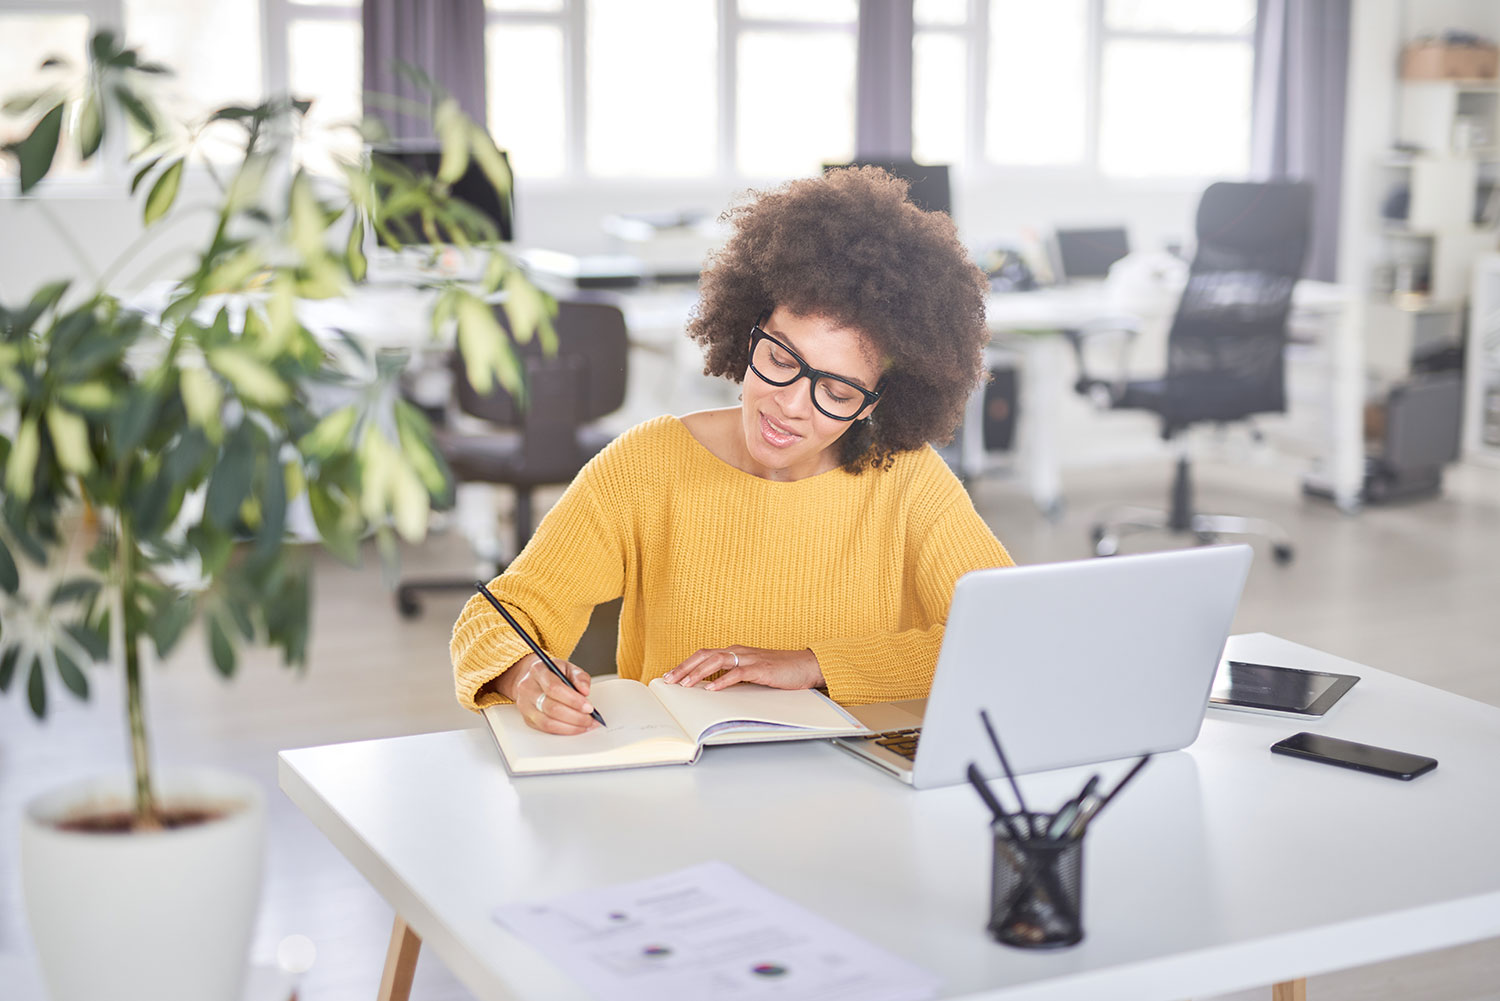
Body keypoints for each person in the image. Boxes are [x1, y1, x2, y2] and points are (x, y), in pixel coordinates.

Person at [450, 166, 1014, 734]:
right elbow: (499, 617)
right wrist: (523, 676)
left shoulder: (908, 479)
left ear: (872, 403)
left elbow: (1009, 632)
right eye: (780, 360)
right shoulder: (647, 466)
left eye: (837, 391)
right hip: (689, 787)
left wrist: (814, 666)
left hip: (864, 783)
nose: (791, 404)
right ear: (748, 333)